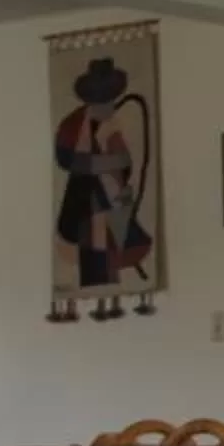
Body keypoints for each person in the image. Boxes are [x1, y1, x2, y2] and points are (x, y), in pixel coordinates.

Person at [54, 57, 152, 287]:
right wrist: (107, 163)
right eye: (104, 99)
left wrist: (121, 174)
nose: (109, 105)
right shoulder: (72, 124)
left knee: (113, 253)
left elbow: (124, 161)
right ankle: (100, 295)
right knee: (97, 255)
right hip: (87, 203)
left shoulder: (111, 124)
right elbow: (66, 159)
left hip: (112, 199)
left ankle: (111, 295)